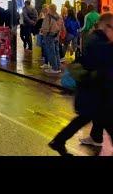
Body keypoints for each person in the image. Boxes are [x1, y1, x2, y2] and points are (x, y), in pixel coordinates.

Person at [48, 13, 113, 156]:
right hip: (95, 94)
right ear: (107, 27)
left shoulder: (97, 40)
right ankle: (58, 141)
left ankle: (58, 141)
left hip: (96, 95)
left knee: (83, 119)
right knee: (93, 119)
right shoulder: (97, 42)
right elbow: (105, 61)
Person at [40, 3, 63, 74]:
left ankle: (54, 68)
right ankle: (58, 67)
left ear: (50, 9)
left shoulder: (48, 16)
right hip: (56, 36)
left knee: (51, 52)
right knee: (56, 52)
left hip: (49, 36)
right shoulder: (59, 16)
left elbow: (45, 27)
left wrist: (43, 33)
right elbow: (61, 26)